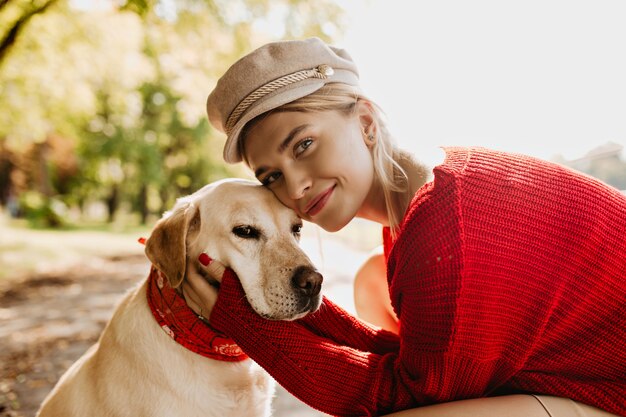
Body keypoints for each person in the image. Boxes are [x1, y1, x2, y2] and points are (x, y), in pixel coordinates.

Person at [181, 38, 626, 417]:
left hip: (615, 388)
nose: (295, 186)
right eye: (271, 176)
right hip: (574, 364)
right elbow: (413, 359)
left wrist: (244, 321)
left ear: (366, 123)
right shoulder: (425, 190)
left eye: (304, 144)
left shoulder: (447, 231)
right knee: (373, 277)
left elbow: (403, 396)